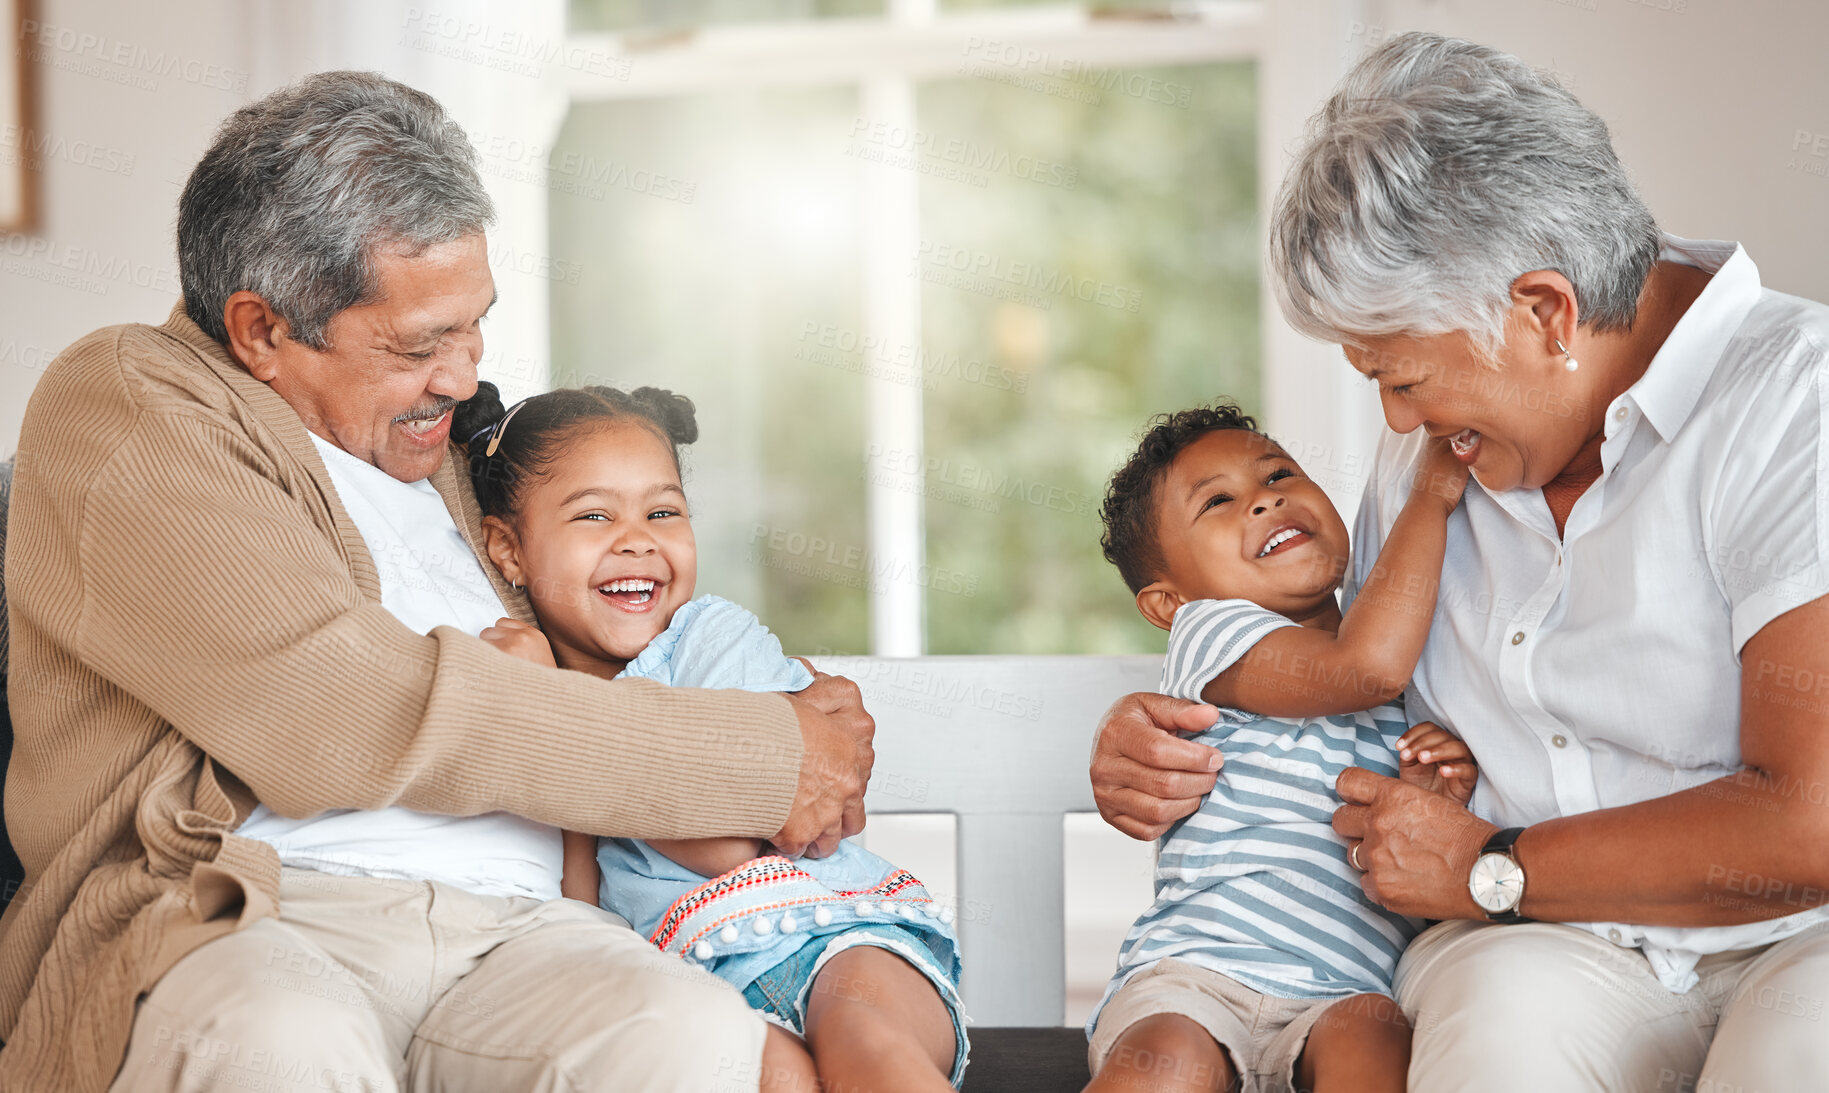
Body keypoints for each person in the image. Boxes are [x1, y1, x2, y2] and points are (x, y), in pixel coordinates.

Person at [0, 72, 874, 1093]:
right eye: (419, 345)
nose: (463, 376)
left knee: (677, 1030)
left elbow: (627, 634)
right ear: (261, 332)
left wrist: (804, 723)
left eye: (473, 326)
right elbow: (345, 710)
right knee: (280, 1039)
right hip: (247, 913)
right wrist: (765, 752)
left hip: (522, 928)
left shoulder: (469, 458)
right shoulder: (134, 401)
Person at [1090, 31, 1829, 1092]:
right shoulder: (1433, 459)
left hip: (1793, 931)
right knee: (1493, 1043)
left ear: (1542, 310)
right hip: (1531, 938)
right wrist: (1144, 732)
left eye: (1399, 374)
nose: (1393, 417)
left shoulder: (1793, 402)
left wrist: (1492, 861)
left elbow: (1806, 819)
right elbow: (1320, 665)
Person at [450, 380, 968, 1091]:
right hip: (695, 983)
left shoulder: (712, 638)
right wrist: (550, 713)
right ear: (509, 550)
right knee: (753, 1072)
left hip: (828, 942)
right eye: (594, 515)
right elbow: (581, 907)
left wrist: (558, 700)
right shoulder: (554, 704)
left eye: (663, 511)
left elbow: (730, 841)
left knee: (865, 1045)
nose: (636, 539)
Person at [1081, 403, 1476, 1093]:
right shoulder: (1210, 636)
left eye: (1279, 473)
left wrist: (1432, 795)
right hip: (1195, 974)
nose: (1265, 497)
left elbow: (1411, 868)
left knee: (1376, 1049)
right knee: (1167, 1061)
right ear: (1168, 602)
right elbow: (1361, 669)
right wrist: (1432, 496)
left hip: (1347, 988)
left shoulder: (1409, 683)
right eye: (1219, 501)